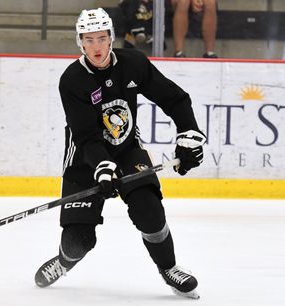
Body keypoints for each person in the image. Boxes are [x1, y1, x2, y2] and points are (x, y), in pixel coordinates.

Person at [34, 8, 206, 299]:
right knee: (79, 241)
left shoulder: (133, 63)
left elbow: (174, 98)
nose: (97, 47)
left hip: (127, 150)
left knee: (150, 210)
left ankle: (169, 267)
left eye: (102, 38)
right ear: (80, 42)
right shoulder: (73, 80)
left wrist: (188, 134)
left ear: (111, 37)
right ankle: (64, 260)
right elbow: (86, 136)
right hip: (84, 160)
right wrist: (102, 167)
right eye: (89, 40)